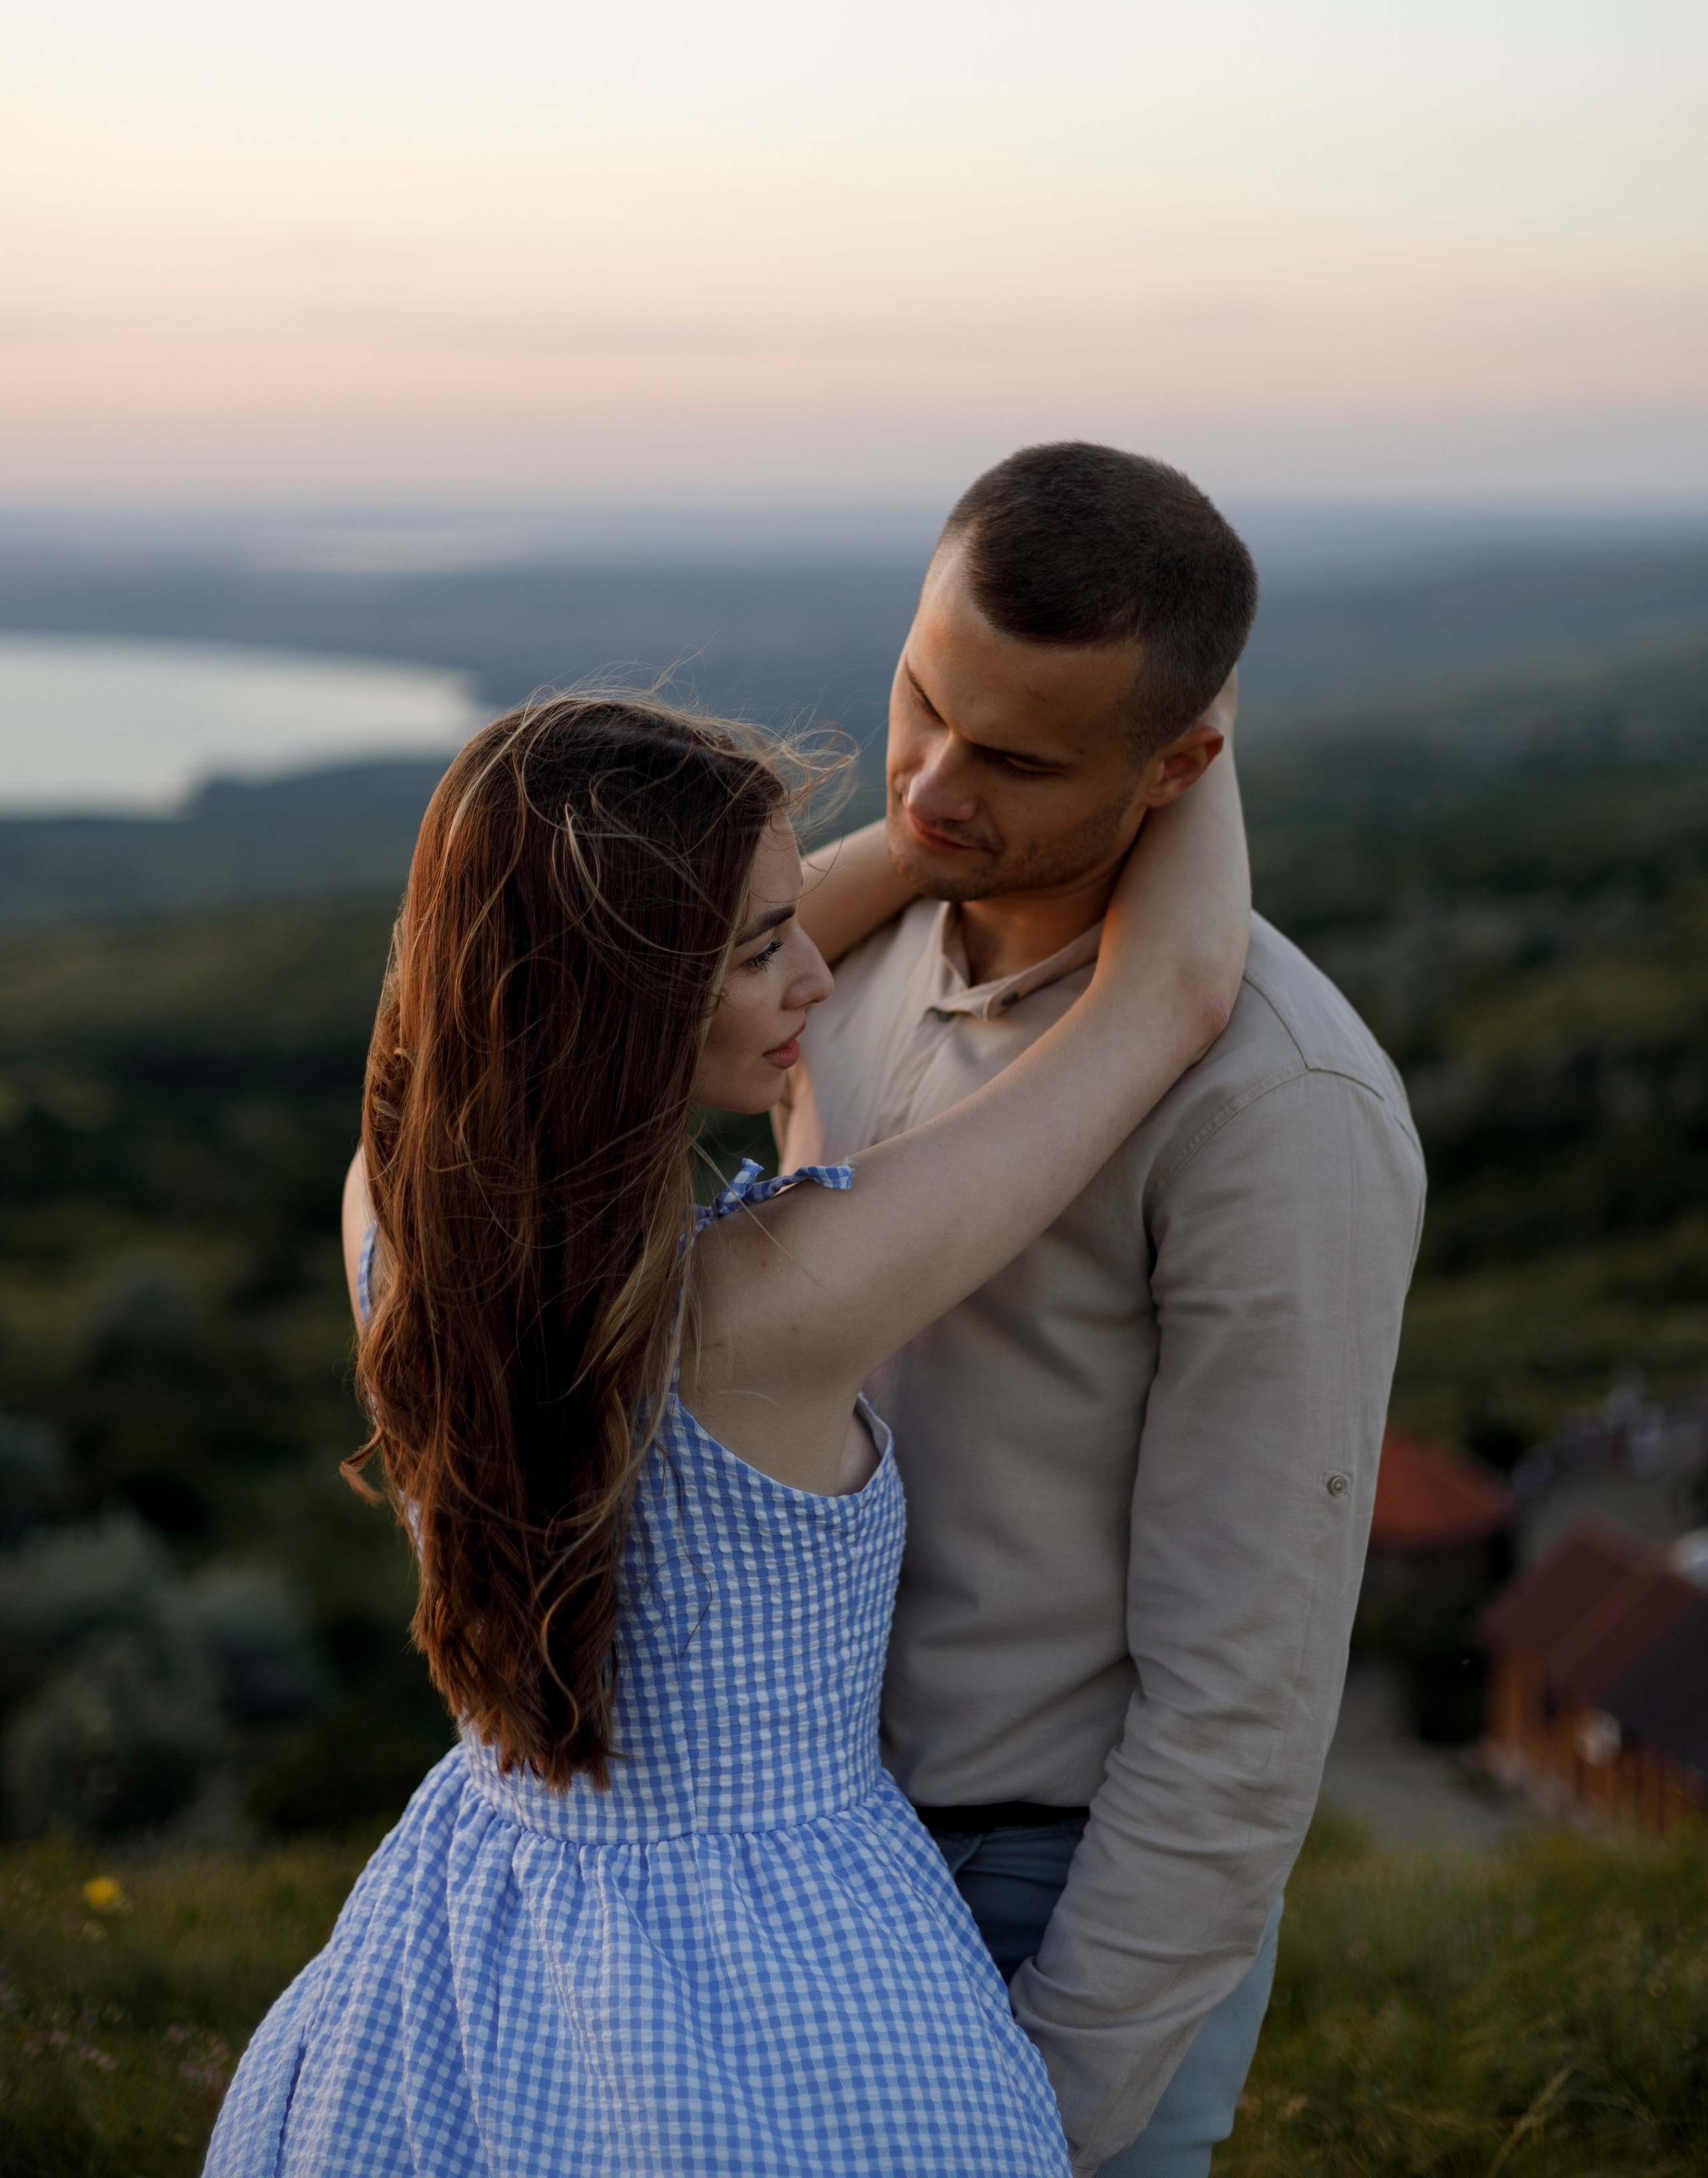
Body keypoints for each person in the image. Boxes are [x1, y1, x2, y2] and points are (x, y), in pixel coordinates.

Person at [206, 681, 1248, 2177]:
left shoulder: (391, 1234)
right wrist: (1182, 701)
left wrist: (891, 842)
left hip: (470, 1948)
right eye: (762, 948)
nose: (817, 978)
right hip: (790, 1973)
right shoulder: (756, 1318)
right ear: (624, 999)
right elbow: (1175, 993)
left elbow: (519, 991)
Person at [779, 441, 1426, 2177]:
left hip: (1049, 1882)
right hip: (796, 1844)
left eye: (1012, 758)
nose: (926, 789)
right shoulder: (832, 971)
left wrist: (1047, 2108)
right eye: (922, 700)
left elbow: (1244, 1693)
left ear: (1184, 767)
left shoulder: (1278, 1108)